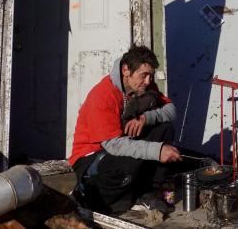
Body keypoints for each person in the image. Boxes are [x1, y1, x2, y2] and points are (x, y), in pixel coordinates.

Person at [69, 45, 181, 214]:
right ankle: (87, 195)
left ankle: (148, 192)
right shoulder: (102, 95)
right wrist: (157, 151)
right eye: (143, 75)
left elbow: (171, 111)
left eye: (151, 76)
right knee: (131, 160)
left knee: (164, 128)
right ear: (126, 70)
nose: (148, 81)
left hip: (119, 146)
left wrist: (146, 118)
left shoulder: (145, 87)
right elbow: (114, 145)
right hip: (91, 158)